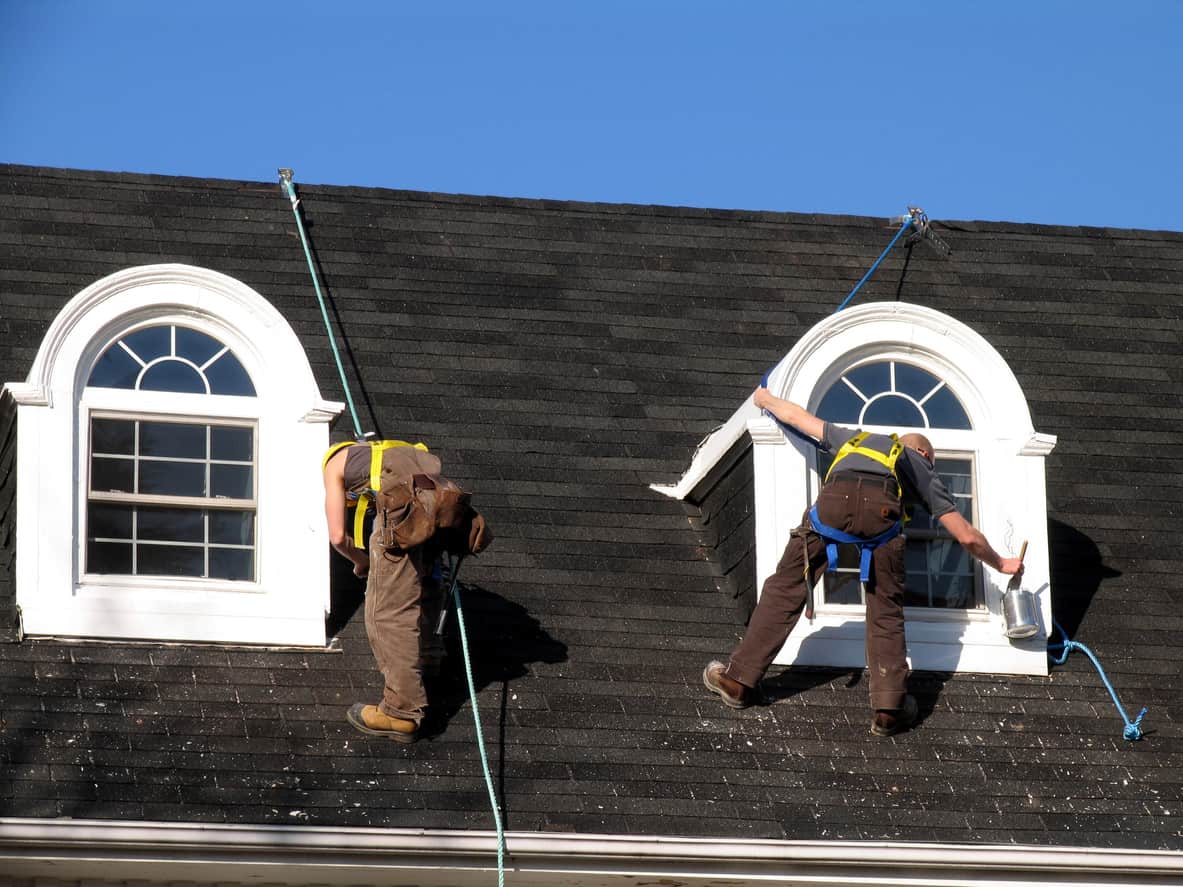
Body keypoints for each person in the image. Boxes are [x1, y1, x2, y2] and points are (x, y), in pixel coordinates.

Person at [702, 386, 1024, 736]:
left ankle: (738, 679)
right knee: (885, 611)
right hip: (881, 520)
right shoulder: (919, 465)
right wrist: (1001, 563)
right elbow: (966, 536)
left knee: (786, 587)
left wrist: (763, 399)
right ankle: (890, 708)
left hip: (831, 508)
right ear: (925, 453)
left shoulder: (855, 440)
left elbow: (797, 417)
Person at [323, 440, 450, 744]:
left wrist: (362, 561)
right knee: (425, 584)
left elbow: (338, 536)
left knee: (387, 612)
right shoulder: (390, 451)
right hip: (439, 509)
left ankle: (401, 712)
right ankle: (429, 659)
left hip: (403, 513)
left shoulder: (331, 465)